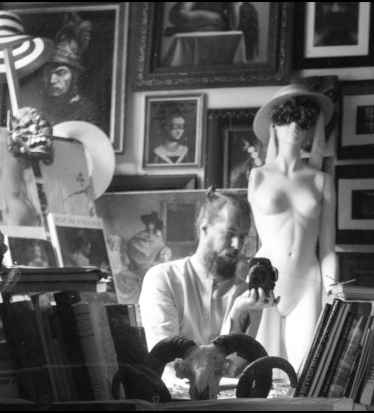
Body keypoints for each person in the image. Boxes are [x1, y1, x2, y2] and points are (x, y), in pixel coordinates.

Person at [139, 188, 277, 387]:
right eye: (229, 234)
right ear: (204, 228)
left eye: (243, 236)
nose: (237, 244)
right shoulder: (162, 278)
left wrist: (238, 313)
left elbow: (232, 368)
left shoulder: (245, 294)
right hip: (174, 398)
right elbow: (166, 358)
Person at [248, 84, 338, 371]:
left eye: (302, 120)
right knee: (262, 372)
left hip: (308, 283)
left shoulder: (321, 181)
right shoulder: (258, 177)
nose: (295, 127)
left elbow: (328, 248)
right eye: (287, 118)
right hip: (266, 283)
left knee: (307, 372)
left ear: (311, 127)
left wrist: (332, 290)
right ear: (274, 124)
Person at [42, 13, 103, 128]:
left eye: (61, 72)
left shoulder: (86, 111)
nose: (52, 80)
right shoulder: (43, 108)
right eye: (49, 73)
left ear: (75, 77)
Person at [163, 2, 259, 63]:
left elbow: (233, 26)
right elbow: (234, 26)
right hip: (183, 14)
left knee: (215, 26)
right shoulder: (219, 18)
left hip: (187, 17)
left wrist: (177, 29)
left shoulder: (218, 21)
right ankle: (178, 29)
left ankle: (178, 29)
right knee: (218, 23)